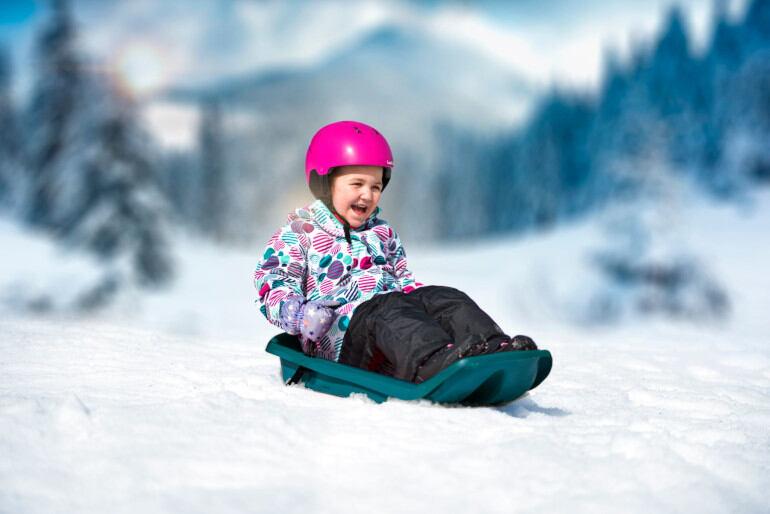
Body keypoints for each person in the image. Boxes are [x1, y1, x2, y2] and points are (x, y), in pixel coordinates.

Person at [253, 120, 537, 384]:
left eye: (376, 186)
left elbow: (402, 279)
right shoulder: (299, 234)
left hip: (394, 323)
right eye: (357, 184)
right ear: (324, 183)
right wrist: (298, 314)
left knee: (443, 297)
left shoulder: (382, 232)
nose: (368, 195)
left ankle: (492, 348)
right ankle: (432, 361)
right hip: (342, 338)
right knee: (387, 309)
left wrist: (424, 301)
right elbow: (272, 283)